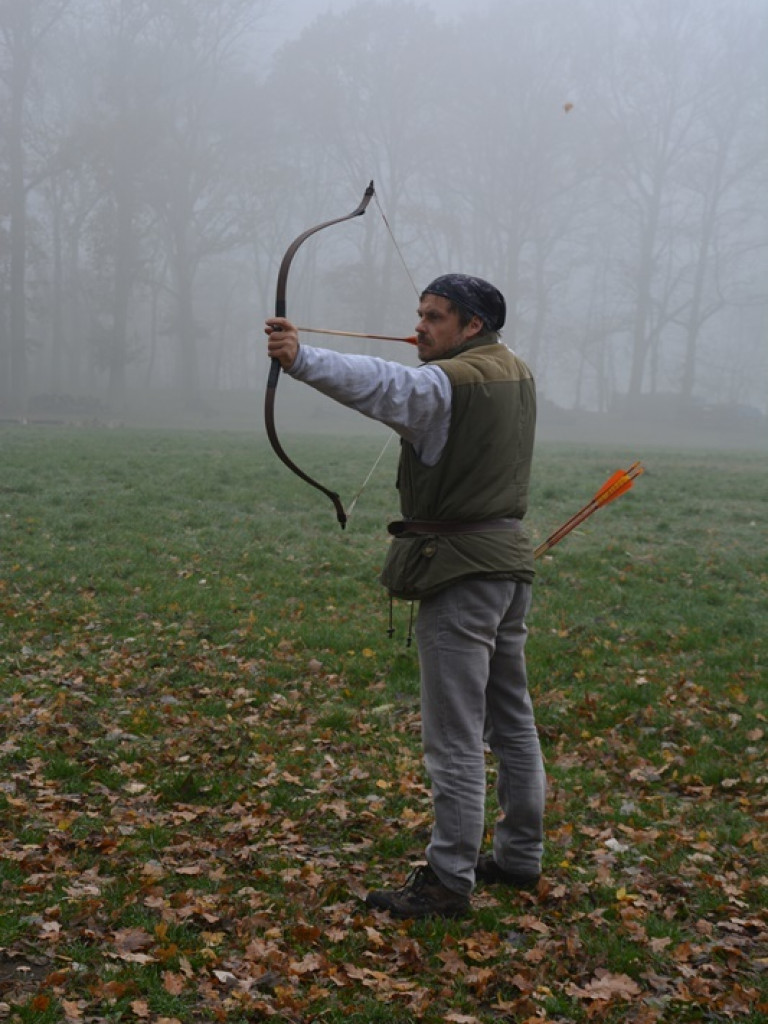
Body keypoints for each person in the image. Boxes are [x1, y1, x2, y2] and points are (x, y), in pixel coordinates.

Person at [265, 274, 546, 919]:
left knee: (454, 736)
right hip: (506, 567)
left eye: (435, 318)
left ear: (472, 326)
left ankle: (448, 883)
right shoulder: (515, 372)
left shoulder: (449, 383)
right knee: (511, 722)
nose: (420, 328)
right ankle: (518, 857)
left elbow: (386, 385)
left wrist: (303, 359)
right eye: (419, 315)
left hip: (459, 572)